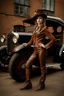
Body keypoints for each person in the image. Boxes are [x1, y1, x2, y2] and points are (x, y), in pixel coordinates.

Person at [20, 9, 56, 91]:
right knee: (27, 65)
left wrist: (45, 46)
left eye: (40, 18)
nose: (39, 19)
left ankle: (41, 83)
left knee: (42, 67)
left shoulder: (45, 29)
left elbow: (53, 39)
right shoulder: (35, 28)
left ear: (43, 20)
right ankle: (28, 83)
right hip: (35, 50)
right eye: (37, 18)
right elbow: (32, 40)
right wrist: (27, 44)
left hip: (41, 50)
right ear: (36, 20)